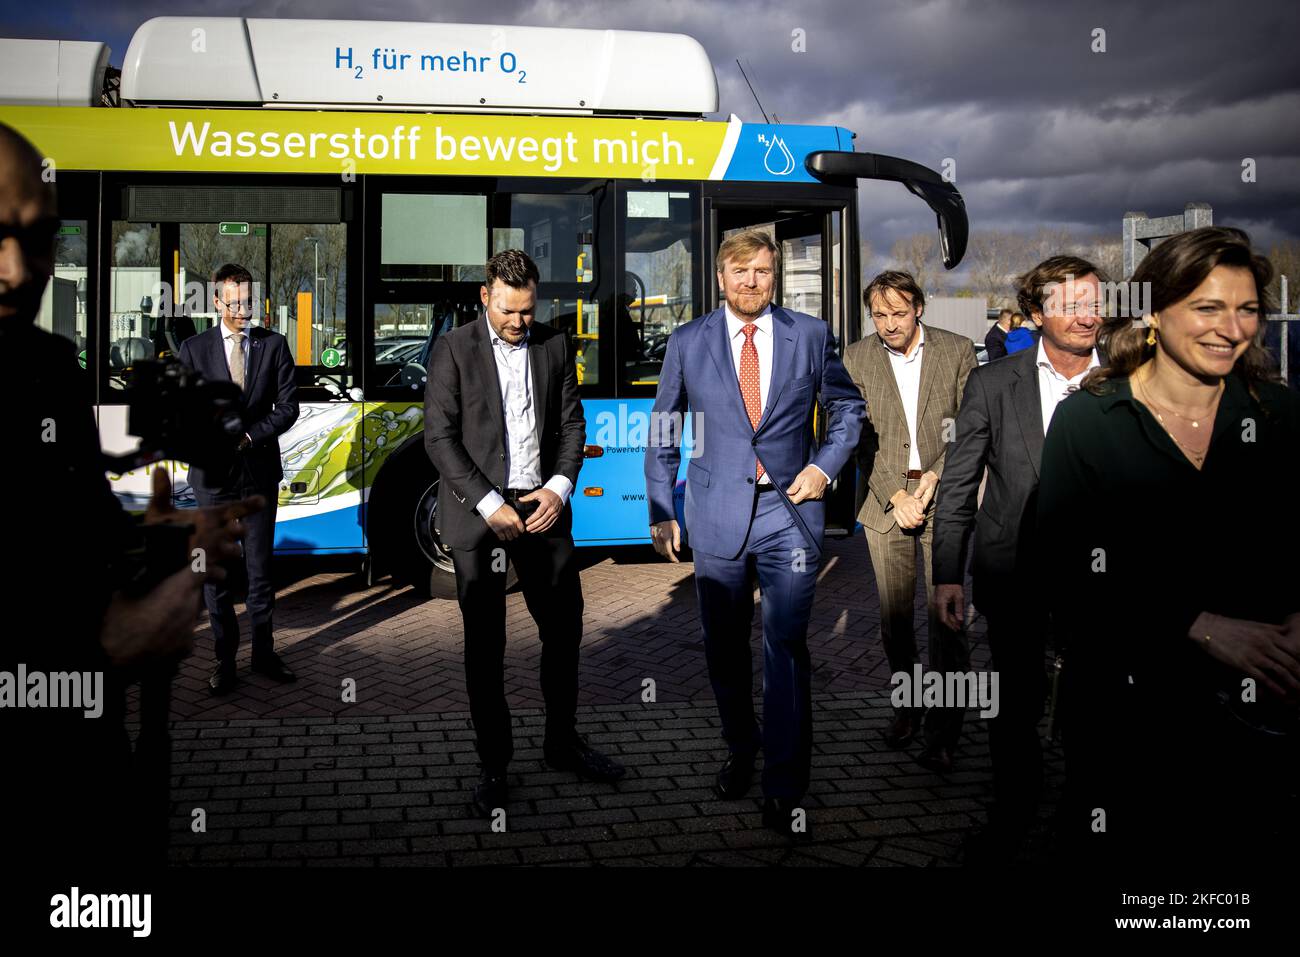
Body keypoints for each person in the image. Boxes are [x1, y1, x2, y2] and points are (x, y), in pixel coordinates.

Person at [0, 121, 256, 866]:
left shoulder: (41, 369)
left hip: (89, 784)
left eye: (42, 236)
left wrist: (162, 546)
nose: (19, 270)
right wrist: (105, 653)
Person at [1038, 227, 1300, 866]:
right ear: (1154, 313)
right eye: (1207, 308)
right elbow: (1066, 572)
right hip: (1127, 712)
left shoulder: (1281, 416)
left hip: (1260, 712)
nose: (1230, 328)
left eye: (1246, 309)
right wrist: (1200, 626)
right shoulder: (1089, 421)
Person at [644, 230, 865, 839]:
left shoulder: (811, 336)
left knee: (786, 650)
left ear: (775, 276)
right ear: (720, 277)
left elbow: (847, 409)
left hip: (788, 514)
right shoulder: (688, 342)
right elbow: (666, 426)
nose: (751, 281)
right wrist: (662, 507)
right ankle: (743, 748)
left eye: (763, 271)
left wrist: (825, 467)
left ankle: (785, 786)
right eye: (740, 271)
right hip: (714, 515)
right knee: (724, 649)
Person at [424, 249, 624, 819]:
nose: (519, 322)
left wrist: (560, 488)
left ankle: (562, 743)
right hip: (480, 514)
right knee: (485, 647)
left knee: (563, 632)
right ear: (485, 297)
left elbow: (570, 423)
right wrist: (490, 504)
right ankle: (494, 764)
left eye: (528, 311)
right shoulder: (453, 349)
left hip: (543, 507)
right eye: (509, 311)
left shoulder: (555, 345)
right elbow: (439, 439)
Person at [931, 255, 1105, 864]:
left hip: (1105, 584)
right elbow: (958, 485)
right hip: (1014, 574)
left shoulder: (1131, 382)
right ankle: (1010, 820)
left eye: (1094, 301)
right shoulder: (993, 382)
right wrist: (947, 575)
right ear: (1036, 314)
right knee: (1013, 707)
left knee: (1095, 710)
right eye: (1071, 303)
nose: (1088, 315)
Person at [844, 271, 978, 773]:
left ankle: (945, 732)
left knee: (947, 620)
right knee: (895, 621)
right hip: (885, 503)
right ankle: (908, 707)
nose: (889, 324)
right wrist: (896, 493)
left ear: (918, 307)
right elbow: (854, 437)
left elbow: (972, 425)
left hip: (943, 499)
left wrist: (936, 478)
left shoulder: (958, 349)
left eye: (898, 313)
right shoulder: (856, 357)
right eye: (879, 315)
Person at [177, 263, 300, 695]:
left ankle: (263, 654)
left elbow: (288, 408)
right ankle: (224, 659)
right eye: (233, 304)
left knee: (260, 570)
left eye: (247, 302)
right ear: (215, 302)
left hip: (258, 473)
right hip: (212, 480)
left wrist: (251, 435)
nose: (241, 311)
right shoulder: (193, 350)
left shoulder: (275, 345)